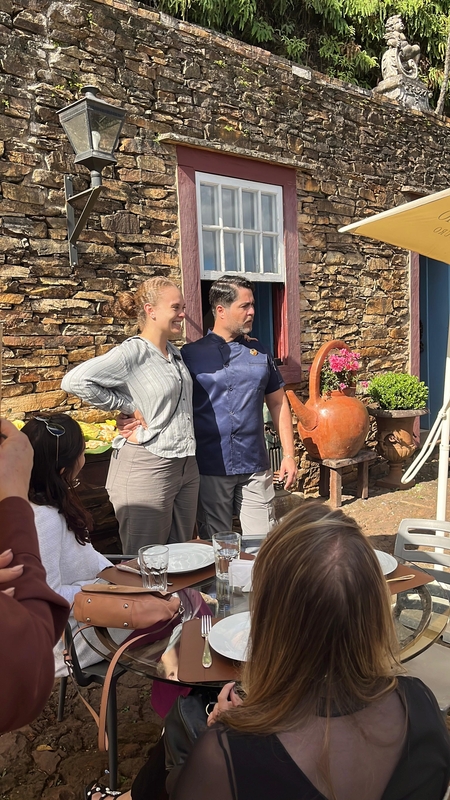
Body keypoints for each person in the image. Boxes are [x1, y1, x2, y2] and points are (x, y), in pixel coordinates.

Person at [172, 503, 450, 800]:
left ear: (270, 619)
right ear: (375, 611)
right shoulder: (419, 705)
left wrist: (224, 734)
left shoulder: (224, 754)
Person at [61, 277, 198, 554]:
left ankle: (181, 601)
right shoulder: (132, 352)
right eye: (176, 307)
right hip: (147, 464)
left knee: (183, 556)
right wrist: (126, 405)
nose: (183, 314)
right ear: (151, 310)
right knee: (146, 560)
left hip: (186, 464)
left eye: (183, 306)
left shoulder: (175, 353)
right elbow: (75, 381)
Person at [181, 275, 297, 539]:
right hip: (210, 468)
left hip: (255, 466)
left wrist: (288, 455)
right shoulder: (189, 355)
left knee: (264, 543)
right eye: (244, 306)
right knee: (216, 548)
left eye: (252, 304)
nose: (252, 311)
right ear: (221, 310)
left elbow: (279, 403)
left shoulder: (261, 353)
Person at [22, 414, 127, 676]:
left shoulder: (38, 500)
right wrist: (103, 589)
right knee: (180, 608)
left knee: (170, 597)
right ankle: (189, 701)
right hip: (71, 635)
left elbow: (83, 557)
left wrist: (117, 574)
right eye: (82, 452)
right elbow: (48, 596)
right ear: (62, 470)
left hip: (87, 610)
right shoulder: (42, 518)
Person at [0, 419, 69, 733]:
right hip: (67, 638)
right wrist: (13, 493)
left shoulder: (55, 512)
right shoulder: (46, 519)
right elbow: (26, 680)